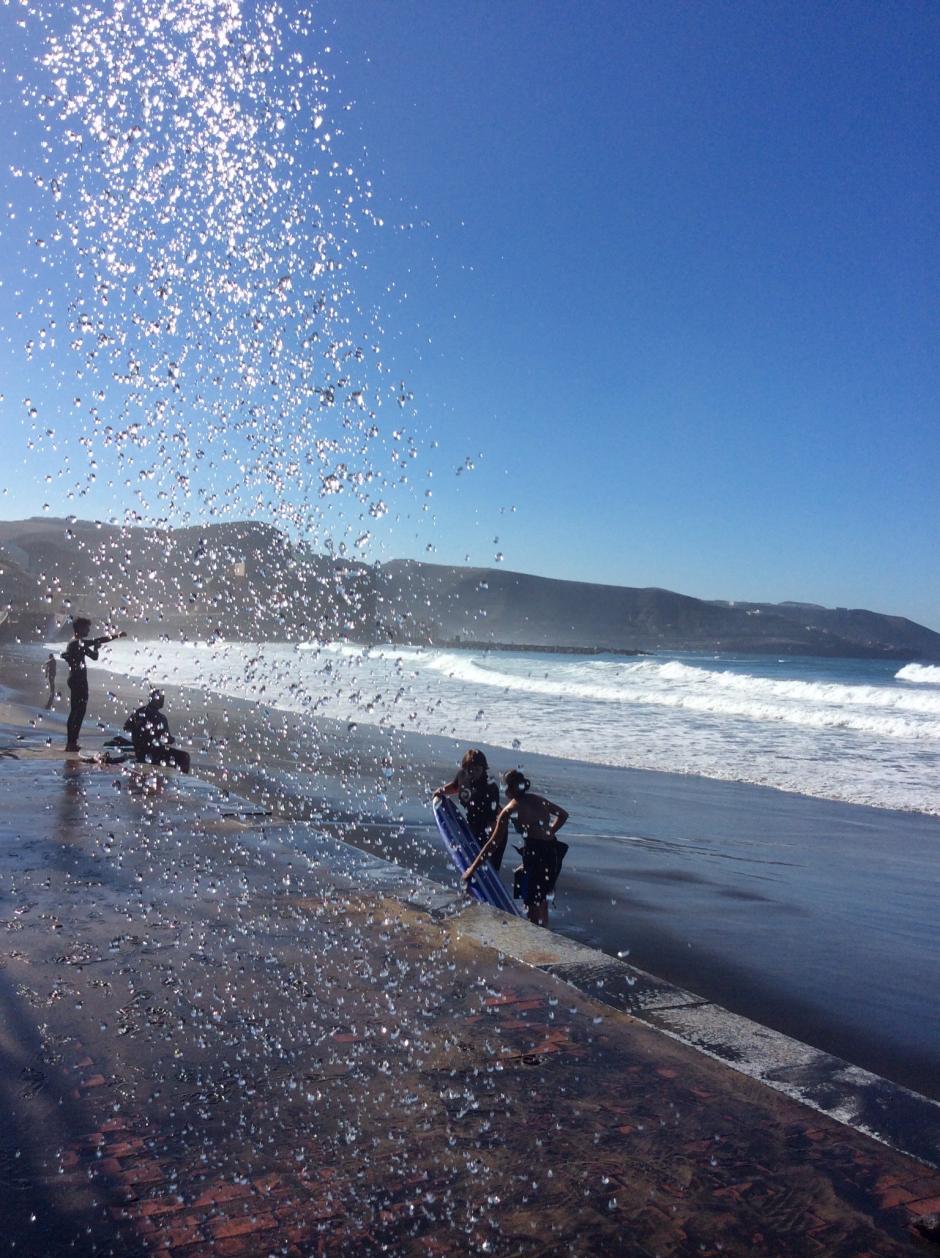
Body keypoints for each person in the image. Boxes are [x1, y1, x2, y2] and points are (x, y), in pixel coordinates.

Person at [463, 769, 569, 927]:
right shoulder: (537, 799)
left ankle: (536, 936)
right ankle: (544, 930)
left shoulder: (510, 810)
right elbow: (563, 815)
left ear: (509, 789)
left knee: (533, 900)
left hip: (537, 855)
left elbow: (493, 843)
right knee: (539, 895)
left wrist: (472, 869)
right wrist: (548, 833)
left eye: (504, 786)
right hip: (553, 851)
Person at [61, 618, 125, 753]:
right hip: (78, 680)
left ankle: (72, 742)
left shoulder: (75, 642)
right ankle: (70, 743)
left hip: (75, 679)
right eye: (86, 628)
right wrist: (96, 648)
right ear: (79, 628)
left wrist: (116, 636)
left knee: (77, 711)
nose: (89, 630)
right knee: (77, 712)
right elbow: (94, 656)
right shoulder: (77, 643)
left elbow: (99, 640)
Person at [433, 749, 503, 865]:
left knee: (488, 865)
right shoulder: (462, 776)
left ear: (484, 768)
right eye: (470, 769)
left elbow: (493, 822)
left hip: (492, 831)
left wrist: (490, 847)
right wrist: (441, 791)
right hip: (472, 824)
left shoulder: (490, 788)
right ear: (464, 768)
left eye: (477, 769)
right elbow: (455, 787)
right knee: (471, 860)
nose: (474, 772)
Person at [124, 690, 191, 773]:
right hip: (154, 753)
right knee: (184, 757)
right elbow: (167, 740)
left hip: (139, 752)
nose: (163, 701)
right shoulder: (161, 718)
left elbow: (126, 727)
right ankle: (180, 778)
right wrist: (172, 739)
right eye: (162, 699)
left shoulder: (138, 712)